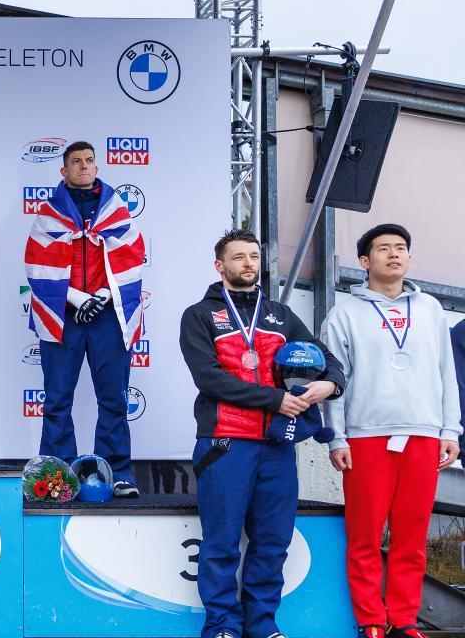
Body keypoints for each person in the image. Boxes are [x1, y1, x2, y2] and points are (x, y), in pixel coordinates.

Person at [180, 228, 344, 638]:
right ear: (220, 265)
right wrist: (274, 400)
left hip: (276, 445)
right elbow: (209, 378)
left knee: (272, 543)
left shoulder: (280, 316)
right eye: (238, 257)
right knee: (221, 544)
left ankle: (263, 625)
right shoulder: (199, 315)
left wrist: (330, 383)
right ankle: (221, 626)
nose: (248, 263)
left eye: (253, 256)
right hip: (225, 444)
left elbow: (327, 359)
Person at [323, 224, 461, 638]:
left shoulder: (431, 309)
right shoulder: (344, 313)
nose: (394, 254)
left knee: (411, 535)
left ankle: (403, 620)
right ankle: (370, 620)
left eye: (401, 248)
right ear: (365, 261)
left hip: (423, 433)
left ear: (410, 258)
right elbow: (334, 380)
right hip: (366, 435)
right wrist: (337, 436)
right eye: (383, 249)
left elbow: (447, 374)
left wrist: (450, 430)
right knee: (364, 534)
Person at [24, 140, 147, 497]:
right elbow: (37, 262)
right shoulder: (49, 213)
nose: (83, 166)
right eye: (76, 161)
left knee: (113, 399)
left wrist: (103, 296)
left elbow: (132, 256)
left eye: (89, 160)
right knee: (57, 399)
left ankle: (117, 473)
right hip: (63, 314)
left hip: (108, 314)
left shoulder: (116, 210)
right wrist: (76, 299)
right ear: (64, 170)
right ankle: (56, 478)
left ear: (96, 167)